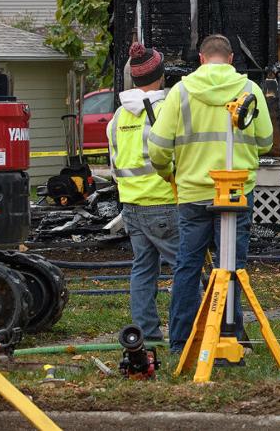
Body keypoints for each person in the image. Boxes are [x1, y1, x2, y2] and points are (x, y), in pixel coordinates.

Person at [149, 33, 274, 356]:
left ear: (202, 59)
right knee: (232, 265)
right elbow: (266, 142)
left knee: (187, 267)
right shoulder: (250, 90)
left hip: (193, 193)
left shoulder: (181, 92)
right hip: (235, 194)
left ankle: (180, 342)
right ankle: (231, 334)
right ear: (231, 59)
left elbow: (159, 147)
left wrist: (168, 172)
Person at [107, 42, 177, 347]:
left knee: (143, 270)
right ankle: (193, 331)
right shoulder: (163, 111)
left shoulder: (117, 118)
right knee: (186, 270)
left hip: (132, 206)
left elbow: (113, 165)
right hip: (163, 203)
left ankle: (146, 334)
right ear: (160, 77)